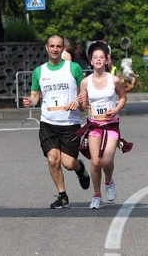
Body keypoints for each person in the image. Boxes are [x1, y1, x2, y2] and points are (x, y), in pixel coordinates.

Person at [22, 34, 90, 209]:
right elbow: (36, 95)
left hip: (69, 123)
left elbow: (84, 92)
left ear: (63, 48)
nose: (54, 49)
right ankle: (63, 196)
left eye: (58, 46)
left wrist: (77, 100)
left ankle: (80, 168)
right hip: (48, 122)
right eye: (51, 46)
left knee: (68, 163)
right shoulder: (40, 71)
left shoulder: (73, 68)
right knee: (53, 160)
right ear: (46, 47)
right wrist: (31, 101)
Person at [78, 47, 128, 209]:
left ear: (106, 60)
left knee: (106, 161)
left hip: (111, 125)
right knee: (95, 162)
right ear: (91, 61)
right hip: (94, 125)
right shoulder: (85, 82)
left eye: (101, 57)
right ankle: (97, 195)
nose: (98, 60)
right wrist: (80, 101)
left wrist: (115, 109)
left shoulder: (114, 80)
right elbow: (82, 107)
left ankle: (109, 181)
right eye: (95, 57)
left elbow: (123, 97)